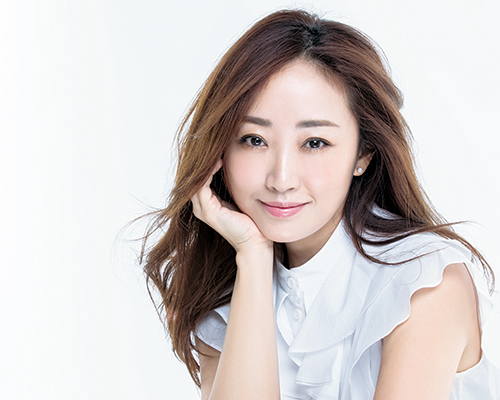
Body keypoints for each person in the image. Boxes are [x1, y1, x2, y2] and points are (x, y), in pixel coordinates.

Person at [141, 9, 500, 400]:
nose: (281, 179)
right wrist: (254, 257)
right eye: (254, 140)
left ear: (362, 154)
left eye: (314, 143)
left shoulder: (423, 282)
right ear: (221, 150)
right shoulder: (226, 298)